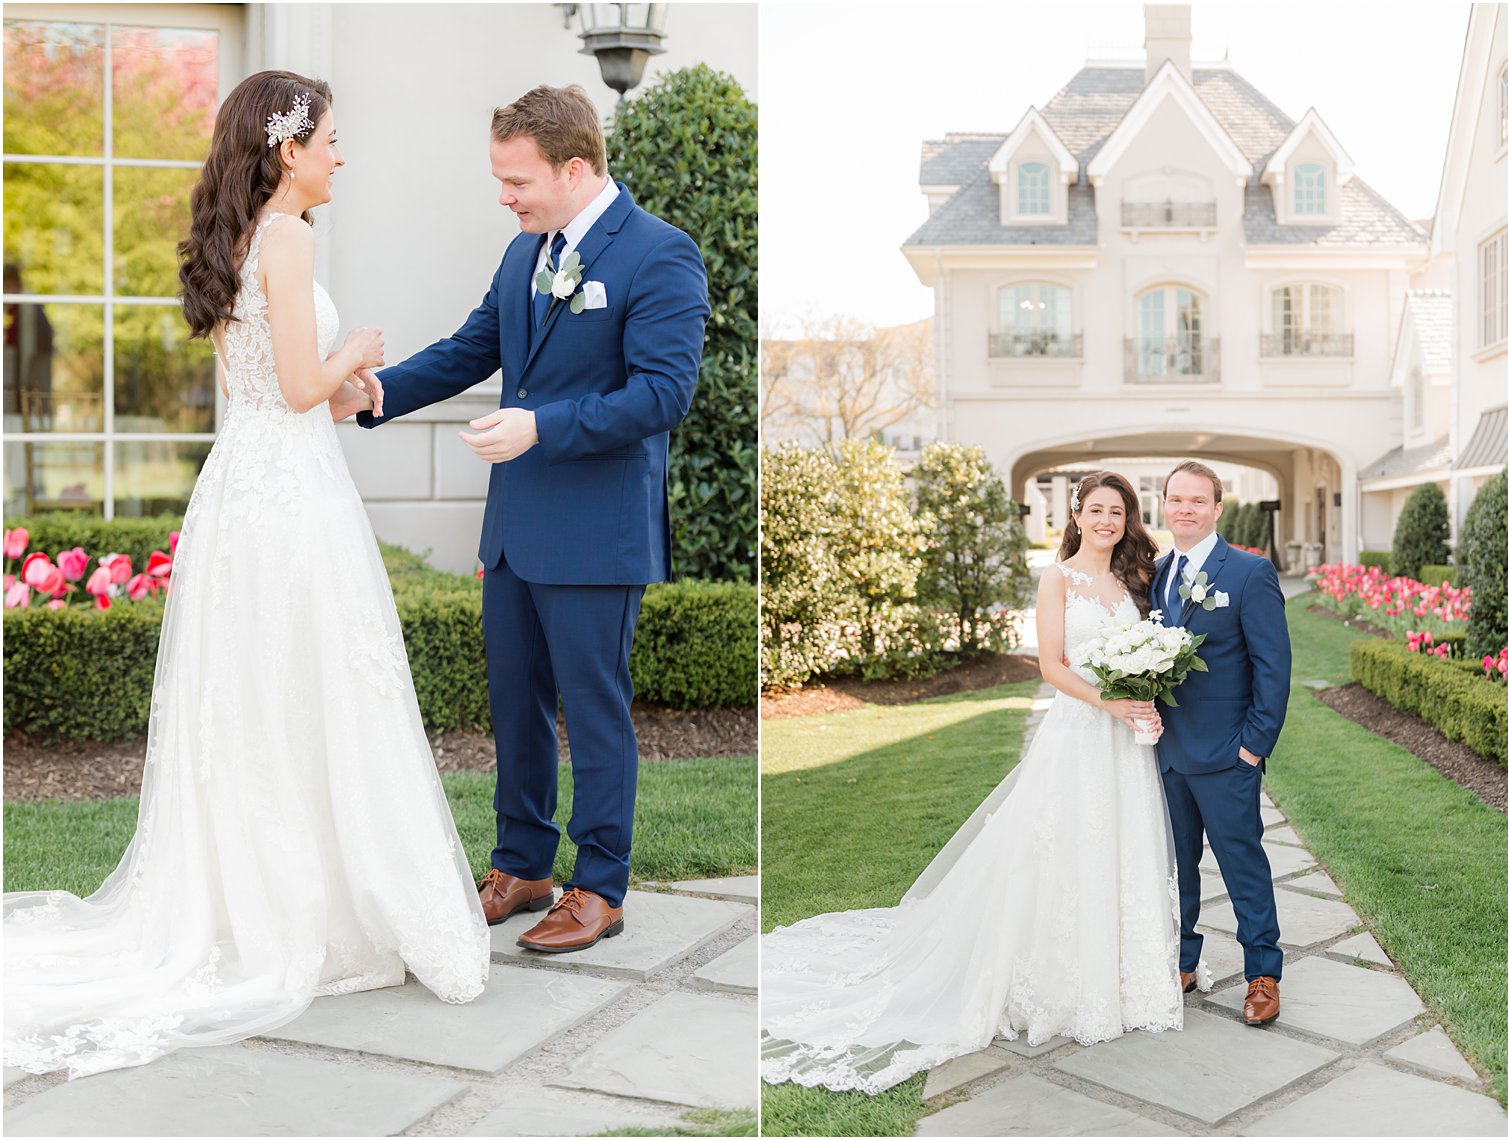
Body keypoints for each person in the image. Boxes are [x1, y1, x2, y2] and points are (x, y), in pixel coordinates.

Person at [4, 70, 489, 1081]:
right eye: (331, 140)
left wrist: (342, 386)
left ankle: (264, 897)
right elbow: (301, 385)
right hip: (292, 496)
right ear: (286, 150)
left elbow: (270, 386)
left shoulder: (238, 237)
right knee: (311, 691)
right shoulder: (293, 236)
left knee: (261, 699)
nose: (340, 155)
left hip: (246, 484)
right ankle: (311, 914)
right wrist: (354, 353)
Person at [331, 85, 709, 954]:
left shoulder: (659, 255)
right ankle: (524, 865)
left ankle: (599, 886)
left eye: (517, 180)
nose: (504, 196)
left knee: (595, 708)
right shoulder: (523, 253)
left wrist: (542, 425)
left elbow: (664, 394)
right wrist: (377, 394)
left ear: (574, 169)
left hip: (597, 531)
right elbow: (475, 346)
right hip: (515, 528)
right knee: (515, 706)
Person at [760, 471, 1183, 1095]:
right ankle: (1063, 981)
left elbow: (1148, 648)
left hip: (1126, 742)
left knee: (1122, 849)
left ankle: (1127, 977)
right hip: (1081, 731)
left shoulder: (1136, 579)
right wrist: (1111, 703)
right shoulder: (1057, 577)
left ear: (1129, 519)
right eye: (1095, 510)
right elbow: (1050, 667)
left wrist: (1141, 696)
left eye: (1116, 512)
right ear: (1078, 515)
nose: (1106, 521)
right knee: (1062, 848)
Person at [1152, 460, 1290, 1025]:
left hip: (1228, 755)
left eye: (1196, 500)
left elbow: (1273, 669)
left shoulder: (1248, 573)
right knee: (1173, 866)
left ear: (1216, 508)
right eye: (1175, 499)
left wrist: (1252, 748)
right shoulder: (1157, 573)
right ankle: (1182, 962)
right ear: (1166, 505)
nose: (1185, 509)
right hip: (1164, 753)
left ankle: (1263, 973)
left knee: (1243, 865)